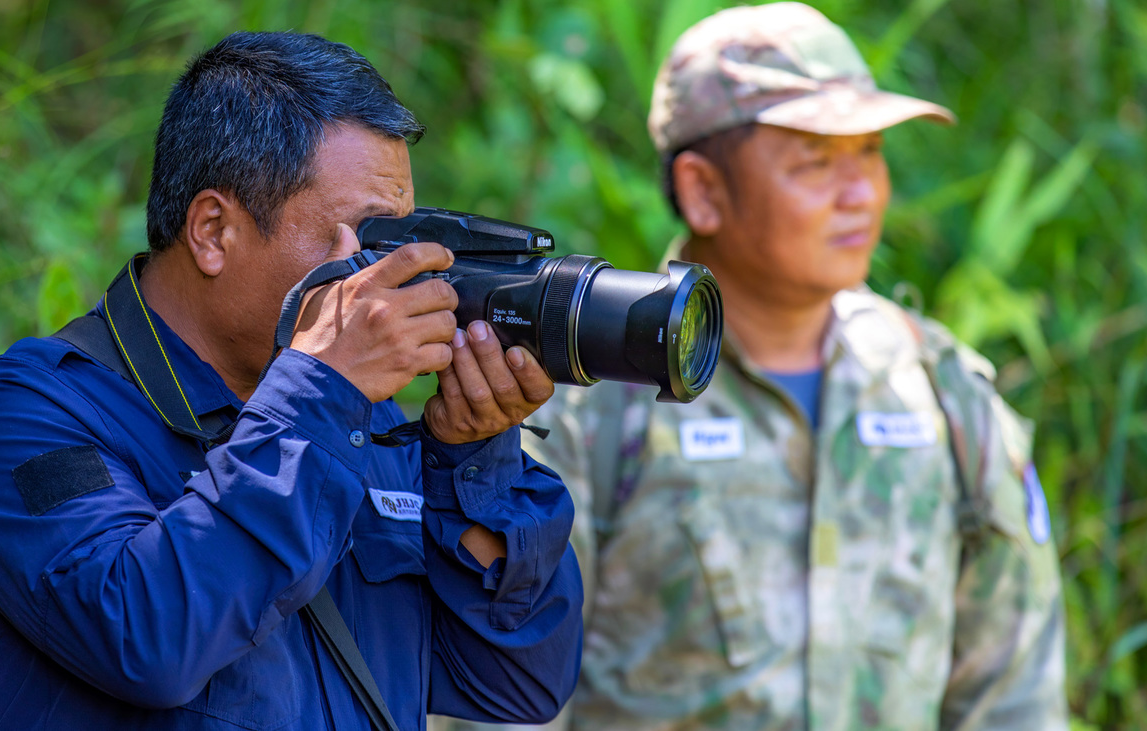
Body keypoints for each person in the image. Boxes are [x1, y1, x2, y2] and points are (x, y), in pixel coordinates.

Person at [436, 3, 1067, 730]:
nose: (861, 193)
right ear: (704, 190)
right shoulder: (588, 402)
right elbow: (501, 692)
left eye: (869, 153)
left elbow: (1012, 695)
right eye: (815, 161)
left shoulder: (941, 391)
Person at [0, 31, 583, 730]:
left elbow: (517, 683)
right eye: (366, 239)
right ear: (213, 231)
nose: (388, 277)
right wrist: (319, 391)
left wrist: (471, 459)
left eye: (401, 240)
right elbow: (147, 636)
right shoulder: (25, 416)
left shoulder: (363, 420)